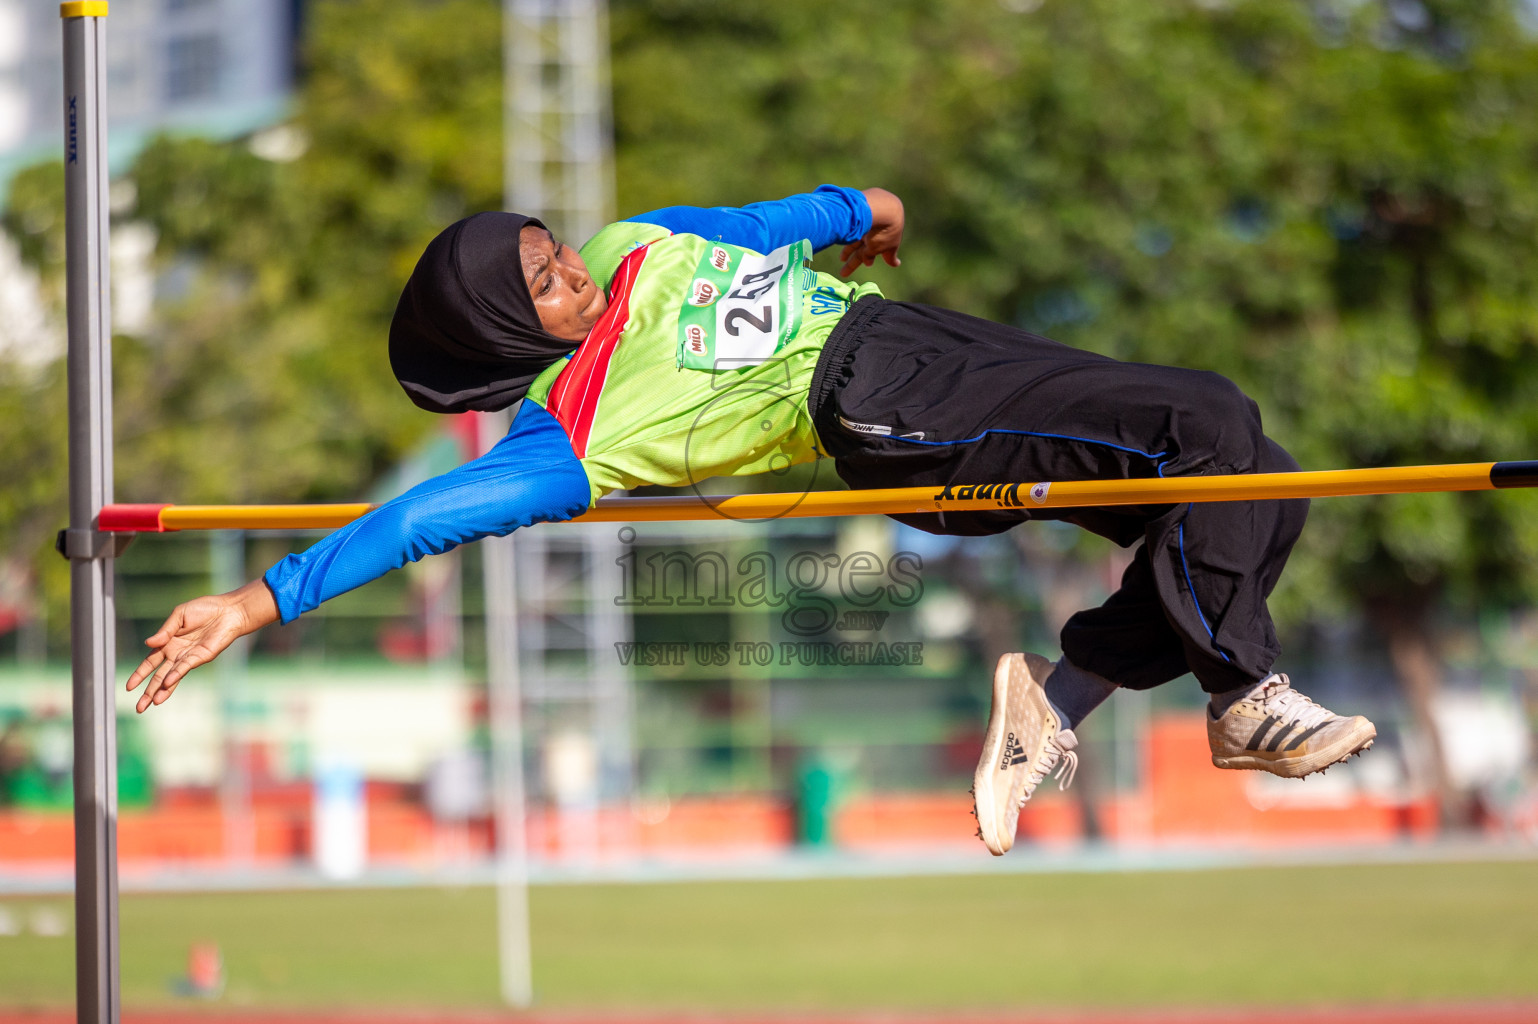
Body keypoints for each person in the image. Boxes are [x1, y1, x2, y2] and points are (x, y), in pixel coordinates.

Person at [126, 185, 1376, 856]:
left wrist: (859, 209)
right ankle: (1243, 696)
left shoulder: (635, 243)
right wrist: (253, 599)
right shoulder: (566, 439)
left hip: (910, 339)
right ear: (503, 337)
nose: (573, 276)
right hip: (881, 412)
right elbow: (417, 521)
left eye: (556, 253)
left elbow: (767, 227)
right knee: (1208, 414)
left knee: (1253, 474)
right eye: (543, 288)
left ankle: (1055, 703)